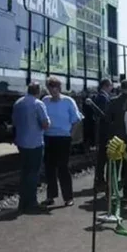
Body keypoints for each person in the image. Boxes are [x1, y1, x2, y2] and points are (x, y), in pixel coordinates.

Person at [41, 76, 83, 206]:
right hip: (48, 137)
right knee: (49, 168)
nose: (52, 90)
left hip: (63, 138)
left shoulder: (68, 101)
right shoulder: (45, 101)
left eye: (54, 87)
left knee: (63, 168)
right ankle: (51, 196)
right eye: (50, 88)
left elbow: (77, 120)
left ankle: (68, 197)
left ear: (59, 88)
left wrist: (70, 134)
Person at [11, 82, 50, 213]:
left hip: (21, 142)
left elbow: (14, 122)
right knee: (33, 172)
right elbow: (45, 124)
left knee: (24, 172)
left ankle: (22, 202)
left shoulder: (18, 103)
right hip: (35, 143)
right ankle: (32, 203)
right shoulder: (38, 104)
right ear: (38, 91)